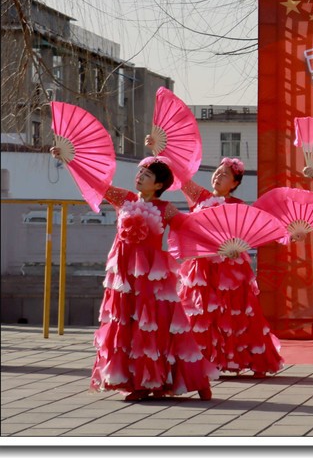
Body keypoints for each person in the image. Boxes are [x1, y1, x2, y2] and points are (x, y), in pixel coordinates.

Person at [51, 148, 216, 401]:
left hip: (154, 276)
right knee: (127, 324)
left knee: (161, 325)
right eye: (140, 171)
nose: (139, 176)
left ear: (159, 184)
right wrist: (70, 160)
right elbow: (97, 183)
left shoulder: (166, 209)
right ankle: (138, 382)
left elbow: (190, 228)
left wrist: (222, 243)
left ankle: (195, 380)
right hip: (125, 275)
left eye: (146, 174)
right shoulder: (125, 200)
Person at [157, 137, 284, 379]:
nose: (218, 176)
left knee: (234, 313)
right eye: (217, 172)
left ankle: (235, 357)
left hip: (230, 267)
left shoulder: (238, 205)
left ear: (235, 183)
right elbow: (181, 179)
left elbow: (249, 232)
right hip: (201, 265)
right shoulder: (199, 196)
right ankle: (201, 358)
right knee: (200, 311)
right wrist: (161, 150)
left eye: (225, 175)